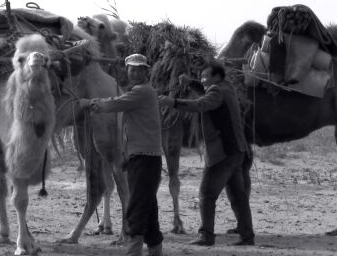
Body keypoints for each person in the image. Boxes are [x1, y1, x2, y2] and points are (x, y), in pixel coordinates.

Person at [158, 60, 254, 246]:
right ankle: (247, 236)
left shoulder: (217, 91)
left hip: (223, 153)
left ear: (216, 77)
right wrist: (191, 82)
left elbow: (201, 104)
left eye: (205, 76)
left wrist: (173, 102)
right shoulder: (226, 88)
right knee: (237, 197)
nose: (202, 79)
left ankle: (206, 235)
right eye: (201, 76)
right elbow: (205, 92)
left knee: (206, 194)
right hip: (237, 152)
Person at [79, 53, 164, 256]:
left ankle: (133, 251)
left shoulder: (142, 92)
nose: (134, 72)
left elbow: (114, 104)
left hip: (145, 159)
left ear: (146, 71)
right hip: (141, 157)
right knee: (149, 208)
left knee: (135, 207)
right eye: (131, 69)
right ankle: (155, 251)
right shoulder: (140, 91)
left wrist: (89, 103)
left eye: (138, 69)